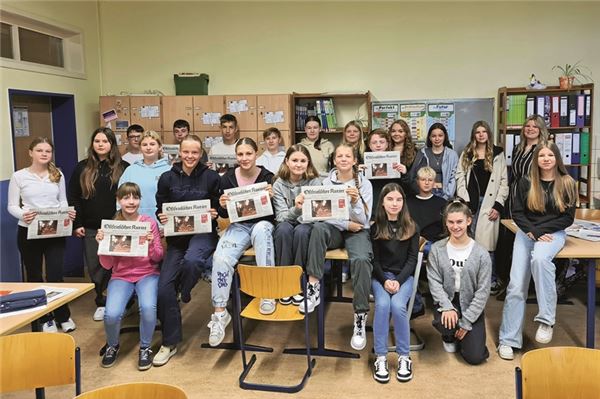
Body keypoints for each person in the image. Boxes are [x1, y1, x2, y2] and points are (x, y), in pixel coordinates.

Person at [497, 142, 576, 360]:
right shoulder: (525, 182)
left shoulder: (568, 183)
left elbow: (567, 218)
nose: (546, 158)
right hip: (526, 232)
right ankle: (508, 339)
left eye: (550, 154)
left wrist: (541, 231)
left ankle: (546, 319)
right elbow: (517, 213)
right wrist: (533, 231)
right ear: (537, 159)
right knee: (515, 286)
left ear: (557, 158)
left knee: (540, 260)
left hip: (553, 233)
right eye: (542, 155)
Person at [153, 134, 220, 366]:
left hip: (203, 234)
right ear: (179, 153)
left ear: (201, 154)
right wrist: (160, 216)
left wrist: (216, 213)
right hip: (177, 238)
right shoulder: (166, 177)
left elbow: (219, 205)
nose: (190, 156)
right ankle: (169, 343)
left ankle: (184, 288)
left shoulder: (211, 177)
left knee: (192, 261)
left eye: (195, 152)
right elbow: (160, 208)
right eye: (186, 152)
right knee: (163, 289)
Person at [301, 143, 373, 351]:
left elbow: (364, 220)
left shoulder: (364, 184)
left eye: (347, 156)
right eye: (339, 156)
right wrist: (345, 223)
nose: (343, 159)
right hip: (336, 228)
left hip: (358, 230)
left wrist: (355, 202)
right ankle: (313, 287)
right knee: (318, 229)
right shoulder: (325, 183)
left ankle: (359, 316)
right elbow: (323, 214)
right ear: (334, 161)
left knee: (360, 259)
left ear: (354, 161)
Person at [207, 137, 275, 347]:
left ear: (256, 154)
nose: (244, 158)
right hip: (239, 226)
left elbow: (276, 212)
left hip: (263, 223)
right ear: (235, 156)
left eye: (249, 154)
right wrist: (221, 205)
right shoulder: (227, 178)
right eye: (240, 154)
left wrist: (272, 197)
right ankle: (219, 313)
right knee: (220, 258)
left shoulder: (267, 177)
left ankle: (267, 292)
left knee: (263, 231)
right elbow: (222, 213)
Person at [8, 137, 77, 333]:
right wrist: (24, 214)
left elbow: (62, 201)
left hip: (55, 231)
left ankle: (63, 316)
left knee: (55, 275)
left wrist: (67, 213)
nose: (44, 154)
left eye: (48, 151)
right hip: (28, 230)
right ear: (31, 153)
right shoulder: (19, 176)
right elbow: (12, 205)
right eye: (40, 150)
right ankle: (43, 318)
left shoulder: (58, 175)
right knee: (35, 275)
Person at [96, 183, 163, 370]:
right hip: (121, 276)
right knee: (111, 314)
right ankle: (112, 345)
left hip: (147, 274)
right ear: (119, 201)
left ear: (140, 200)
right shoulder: (112, 225)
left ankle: (145, 347)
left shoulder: (149, 223)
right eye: (126, 198)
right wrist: (102, 246)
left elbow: (158, 257)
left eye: (135, 197)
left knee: (148, 308)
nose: (131, 202)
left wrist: (151, 243)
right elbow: (107, 265)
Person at [68, 128, 128, 321]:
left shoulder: (123, 167)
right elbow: (74, 196)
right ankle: (101, 301)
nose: (101, 144)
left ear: (112, 144)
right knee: (96, 265)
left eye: (105, 141)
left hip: (117, 225)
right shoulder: (82, 167)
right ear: (92, 144)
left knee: (117, 265)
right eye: (97, 141)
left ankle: (119, 301)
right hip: (91, 226)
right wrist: (77, 223)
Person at [427, 198, 491, 365]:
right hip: (448, 300)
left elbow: (483, 291)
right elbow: (434, 282)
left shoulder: (481, 254)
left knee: (475, 357)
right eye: (451, 222)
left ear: (468, 221)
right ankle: (449, 335)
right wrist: (447, 307)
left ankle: (465, 335)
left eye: (460, 222)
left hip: (470, 303)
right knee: (446, 322)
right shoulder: (437, 249)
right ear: (446, 223)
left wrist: (467, 321)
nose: (455, 226)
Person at [495, 115, 549, 296]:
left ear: (541, 129)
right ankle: (511, 282)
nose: (530, 129)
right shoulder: (519, 148)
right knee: (508, 239)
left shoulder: (542, 149)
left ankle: (527, 285)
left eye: (535, 126)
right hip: (513, 196)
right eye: (527, 126)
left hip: (530, 197)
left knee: (526, 238)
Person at [370, 183, 419, 383]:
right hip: (381, 276)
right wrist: (385, 280)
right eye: (390, 199)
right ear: (382, 202)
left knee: (398, 306)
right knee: (382, 305)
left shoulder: (412, 227)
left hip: (403, 277)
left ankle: (404, 357)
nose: (394, 203)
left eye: (398, 199)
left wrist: (397, 281)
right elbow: (374, 261)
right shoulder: (375, 228)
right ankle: (380, 357)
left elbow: (412, 260)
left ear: (403, 203)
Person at [456, 121, 509, 291]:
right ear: (473, 134)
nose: (481, 135)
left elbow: (503, 182)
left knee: (488, 246)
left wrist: (498, 206)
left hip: (490, 204)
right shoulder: (467, 153)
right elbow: (460, 177)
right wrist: (464, 201)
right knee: (468, 243)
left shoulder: (498, 153)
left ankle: (491, 280)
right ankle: (470, 280)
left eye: (484, 131)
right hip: (470, 204)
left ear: (488, 134)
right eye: (477, 132)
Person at [272, 144, 321, 305]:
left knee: (301, 231)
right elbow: (280, 217)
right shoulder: (278, 183)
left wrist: (295, 215)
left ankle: (299, 284)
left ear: (308, 163)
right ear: (287, 161)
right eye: (294, 160)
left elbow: (315, 215)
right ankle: (284, 283)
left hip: (306, 224)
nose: (298, 164)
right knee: (284, 230)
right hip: (287, 223)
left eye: (302, 161)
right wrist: (297, 209)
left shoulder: (314, 182)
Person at [118, 130, 170, 222]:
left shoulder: (169, 170)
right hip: (135, 225)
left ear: (160, 147)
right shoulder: (130, 170)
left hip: (163, 224)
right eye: (144, 145)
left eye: (152, 144)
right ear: (140, 148)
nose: (148, 148)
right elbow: (120, 199)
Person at [408, 123, 458, 200]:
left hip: (446, 194)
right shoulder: (422, 153)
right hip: (426, 193)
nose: (437, 139)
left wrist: (447, 195)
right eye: (434, 136)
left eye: (440, 136)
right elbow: (414, 175)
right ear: (430, 138)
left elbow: (453, 177)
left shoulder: (452, 154)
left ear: (445, 137)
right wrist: (422, 193)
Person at [365, 128, 405, 213]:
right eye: (374, 142)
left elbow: (404, 188)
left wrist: (404, 173)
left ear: (387, 144)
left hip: (392, 204)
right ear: (369, 145)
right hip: (372, 203)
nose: (378, 145)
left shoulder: (396, 162)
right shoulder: (363, 163)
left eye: (382, 142)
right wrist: (359, 174)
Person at [406, 167, 446, 246]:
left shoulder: (442, 203)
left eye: (430, 180)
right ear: (417, 181)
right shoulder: (408, 202)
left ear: (434, 182)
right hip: (411, 244)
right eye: (423, 180)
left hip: (435, 245)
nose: (426, 183)